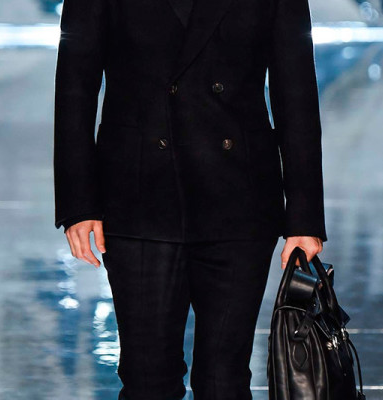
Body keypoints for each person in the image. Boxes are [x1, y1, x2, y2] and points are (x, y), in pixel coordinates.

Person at [53, 0, 327, 398]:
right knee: (147, 379)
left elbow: (296, 88)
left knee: (224, 380)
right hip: (137, 194)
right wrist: (79, 203)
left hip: (239, 198)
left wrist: (304, 218)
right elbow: (75, 84)